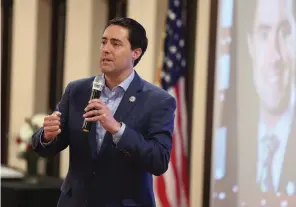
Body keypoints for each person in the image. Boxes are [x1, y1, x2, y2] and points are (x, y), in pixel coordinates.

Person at [32, 17, 176, 207]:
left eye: (116, 44)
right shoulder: (78, 91)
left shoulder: (158, 101)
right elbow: (46, 147)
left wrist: (117, 129)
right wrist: (48, 136)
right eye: (104, 42)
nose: (106, 49)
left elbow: (159, 160)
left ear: (136, 52)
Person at [239, 0, 296, 205]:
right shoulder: (234, 136)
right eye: (264, 34)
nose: (275, 57)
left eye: (285, 32)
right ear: (251, 45)